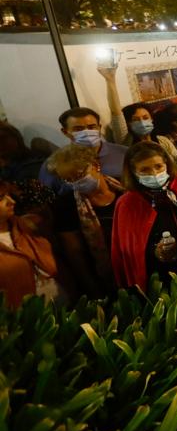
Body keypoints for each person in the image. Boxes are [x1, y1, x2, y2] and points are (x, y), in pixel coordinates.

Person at [110, 142, 177, 290]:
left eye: (158, 166)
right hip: (161, 277)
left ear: (167, 164)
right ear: (133, 172)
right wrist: (156, 251)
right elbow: (129, 250)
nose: (154, 174)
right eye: (145, 170)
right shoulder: (127, 203)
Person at [47, 144, 122, 297]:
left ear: (95, 165)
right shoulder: (65, 206)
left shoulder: (124, 188)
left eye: (80, 174)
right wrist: (93, 289)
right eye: (68, 179)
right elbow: (75, 254)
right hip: (104, 278)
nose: (76, 182)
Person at [0, 181, 61, 308]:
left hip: (63, 306)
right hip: (26, 320)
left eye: (8, 195)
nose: (12, 201)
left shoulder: (27, 226)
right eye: (1, 198)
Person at [39, 107, 128, 192]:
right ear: (65, 132)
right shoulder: (55, 164)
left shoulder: (124, 153)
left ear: (99, 128)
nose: (87, 132)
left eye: (91, 127)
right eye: (78, 129)